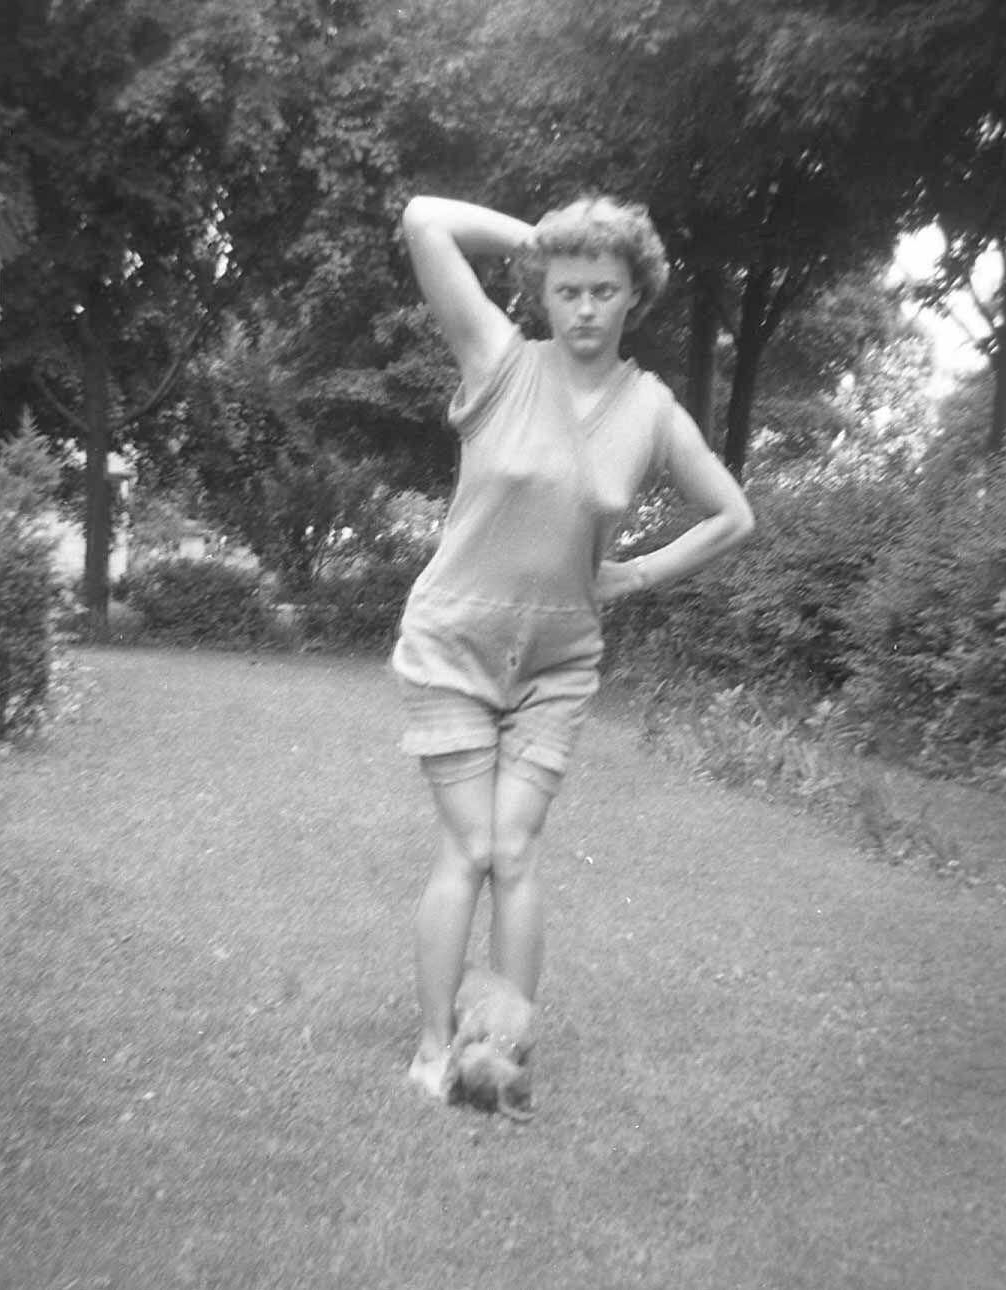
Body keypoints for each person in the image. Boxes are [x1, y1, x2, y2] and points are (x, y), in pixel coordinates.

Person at [392, 194, 755, 1100]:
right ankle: (434, 1049)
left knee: (514, 852)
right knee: (471, 848)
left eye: (604, 289)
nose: (585, 307)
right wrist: (544, 244)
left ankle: (501, 1052)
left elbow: (732, 516)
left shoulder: (651, 410)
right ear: (544, 293)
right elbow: (423, 219)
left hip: (558, 661)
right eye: (567, 289)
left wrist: (636, 574)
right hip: (453, 641)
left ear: (635, 295)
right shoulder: (498, 359)